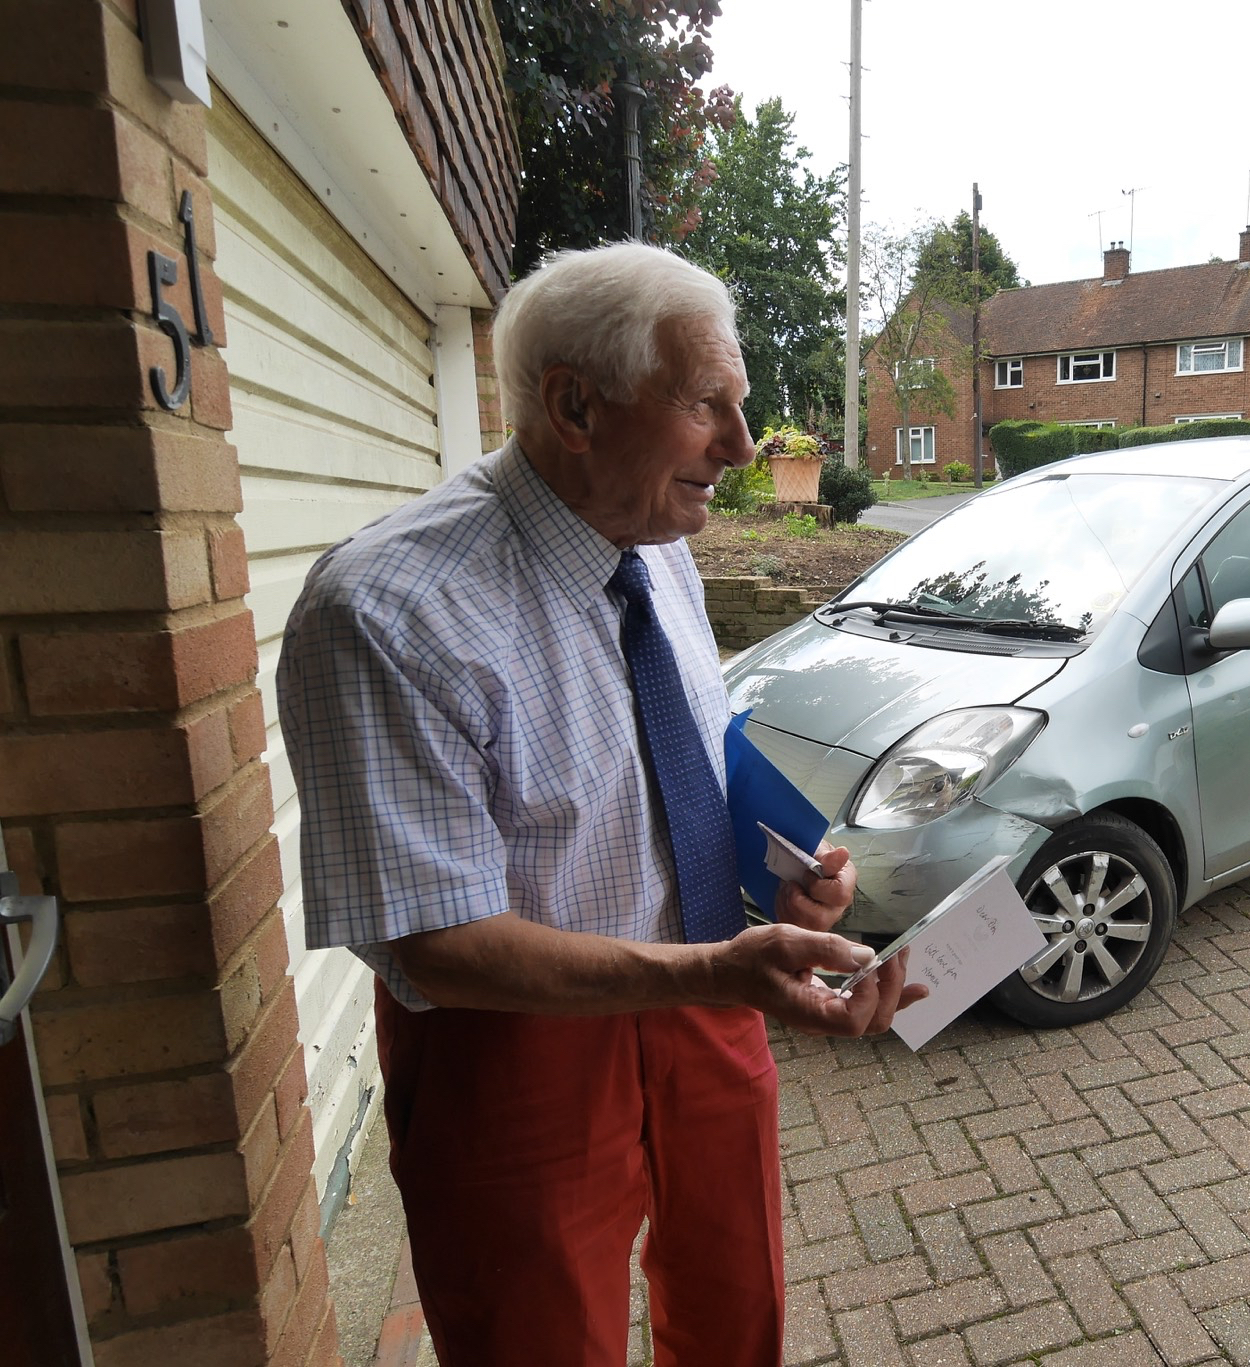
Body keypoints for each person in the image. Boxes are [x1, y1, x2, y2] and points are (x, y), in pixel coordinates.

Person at [276, 242, 923, 1367]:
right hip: (515, 1044)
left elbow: (687, 741)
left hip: (708, 993)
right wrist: (714, 970)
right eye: (705, 404)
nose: (742, 446)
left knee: (737, 1308)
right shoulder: (383, 610)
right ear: (575, 406)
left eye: (740, 406)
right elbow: (436, 944)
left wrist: (791, 861)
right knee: (538, 1337)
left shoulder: (655, 536)